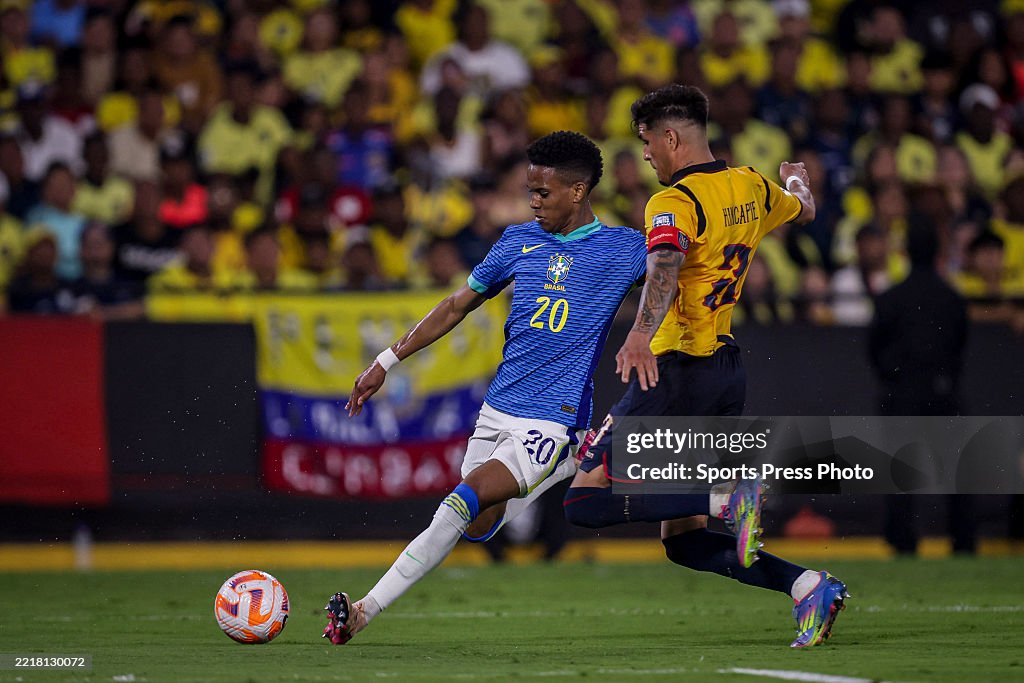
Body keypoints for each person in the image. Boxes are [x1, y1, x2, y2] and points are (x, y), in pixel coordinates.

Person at [322, 131, 647, 644]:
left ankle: (364, 609)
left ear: (578, 191)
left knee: (461, 501)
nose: (532, 201)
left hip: (552, 416)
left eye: (543, 192)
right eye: (530, 190)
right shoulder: (517, 241)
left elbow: (680, 271)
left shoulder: (623, 249)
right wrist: (387, 360)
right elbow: (456, 305)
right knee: (477, 525)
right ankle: (569, 463)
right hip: (497, 410)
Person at [561, 84, 848, 648]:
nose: (646, 154)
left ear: (671, 138)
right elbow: (806, 208)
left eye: (647, 141)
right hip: (724, 371)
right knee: (685, 541)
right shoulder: (752, 186)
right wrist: (796, 181)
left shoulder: (672, 202)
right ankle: (807, 586)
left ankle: (727, 498)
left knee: (584, 501)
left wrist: (639, 335)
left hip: (672, 370)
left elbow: (666, 264)